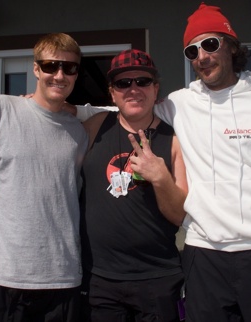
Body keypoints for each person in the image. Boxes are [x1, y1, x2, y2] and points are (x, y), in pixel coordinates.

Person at [72, 4, 251, 322]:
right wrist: (58, 109)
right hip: (202, 253)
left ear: (232, 46)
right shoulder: (180, 104)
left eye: (210, 44)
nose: (202, 56)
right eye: (192, 51)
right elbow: (128, 110)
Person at [0, 33, 88, 322]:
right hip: (0, 276)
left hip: (62, 278)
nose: (59, 75)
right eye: (50, 66)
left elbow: (122, 113)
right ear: (36, 69)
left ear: (77, 73)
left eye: (69, 68)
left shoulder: (78, 131)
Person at [80, 49, 188, 322]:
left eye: (142, 81)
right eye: (123, 83)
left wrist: (160, 177)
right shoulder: (95, 127)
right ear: (112, 93)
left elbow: (179, 215)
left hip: (158, 277)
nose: (133, 89)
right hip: (99, 277)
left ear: (155, 89)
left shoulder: (173, 140)